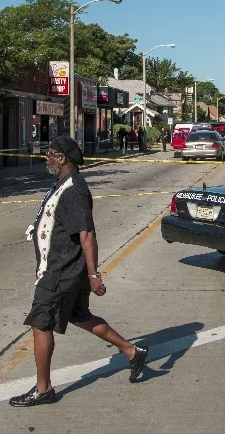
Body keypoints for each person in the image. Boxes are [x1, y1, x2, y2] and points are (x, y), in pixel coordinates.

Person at [10, 136, 148, 407]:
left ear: (62, 158)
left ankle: (43, 389)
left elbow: (86, 233)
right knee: (78, 315)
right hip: (63, 267)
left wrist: (94, 275)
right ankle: (132, 351)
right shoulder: (64, 183)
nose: (46, 157)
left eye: (50, 153)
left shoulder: (74, 189)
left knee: (41, 324)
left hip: (61, 271)